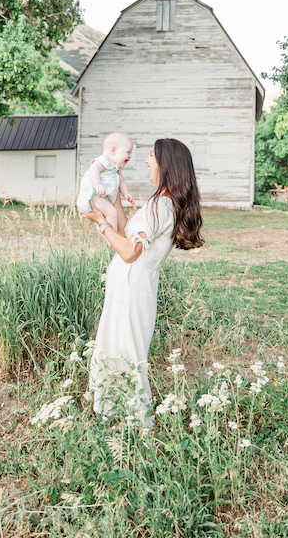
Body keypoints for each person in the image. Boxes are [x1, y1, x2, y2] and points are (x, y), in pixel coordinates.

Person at [80, 138, 204, 425]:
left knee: (129, 352)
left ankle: (141, 424)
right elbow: (126, 232)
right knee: (116, 347)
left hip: (132, 288)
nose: (146, 161)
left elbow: (128, 252)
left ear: (165, 164)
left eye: (150, 156)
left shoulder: (161, 205)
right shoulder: (158, 202)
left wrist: (99, 222)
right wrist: (114, 194)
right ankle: (117, 414)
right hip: (128, 286)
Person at [77, 133, 135, 244]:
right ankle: (112, 239)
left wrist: (126, 194)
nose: (130, 156)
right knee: (112, 212)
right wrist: (98, 184)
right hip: (92, 197)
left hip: (99, 198)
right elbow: (93, 170)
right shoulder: (103, 161)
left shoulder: (116, 168)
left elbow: (122, 182)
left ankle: (110, 238)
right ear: (113, 150)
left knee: (104, 218)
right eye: (128, 152)